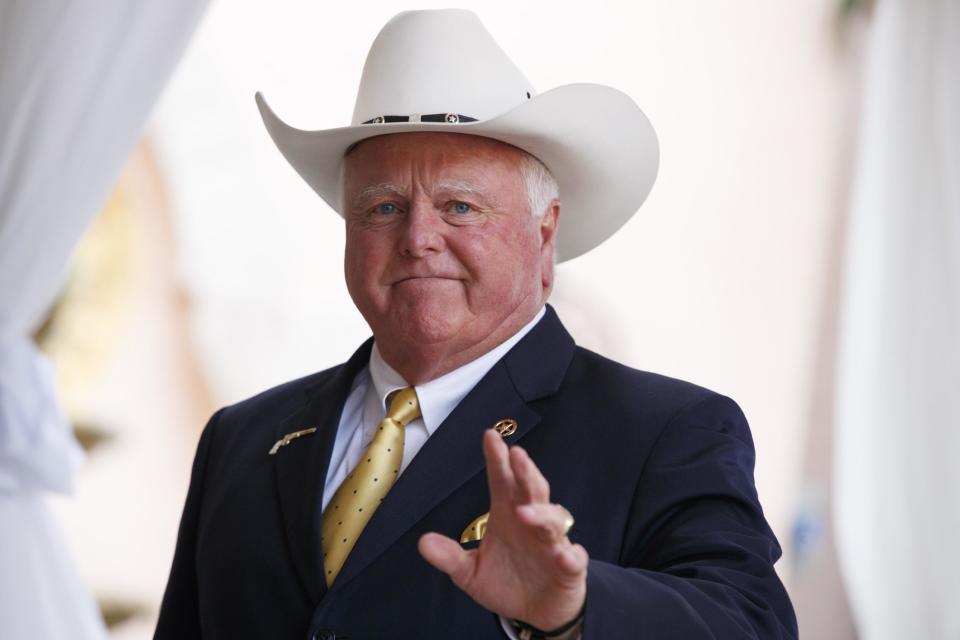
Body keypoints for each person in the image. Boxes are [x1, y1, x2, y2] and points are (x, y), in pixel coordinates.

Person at [156, 9, 797, 640]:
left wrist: (575, 612)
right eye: (383, 207)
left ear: (544, 235)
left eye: (460, 206)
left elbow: (750, 625)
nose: (417, 239)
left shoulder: (663, 432)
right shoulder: (240, 439)